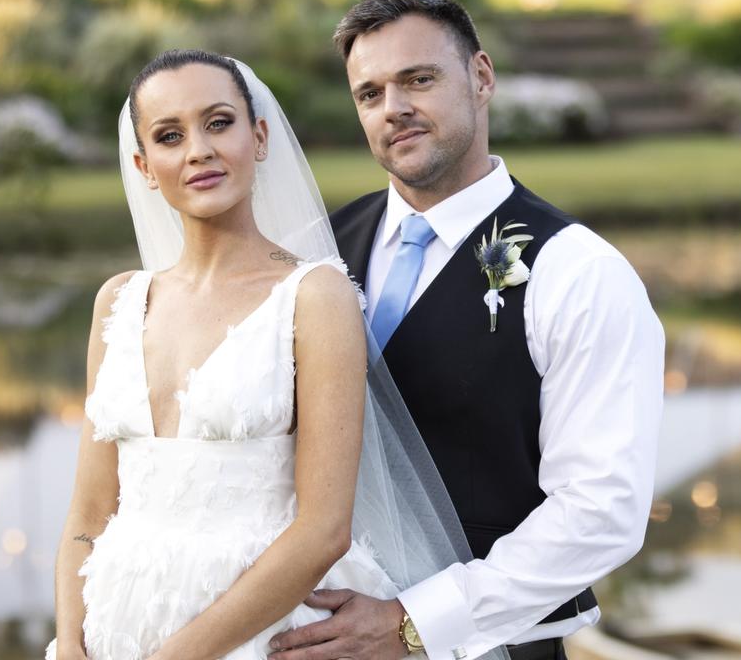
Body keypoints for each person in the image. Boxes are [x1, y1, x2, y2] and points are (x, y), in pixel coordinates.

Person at [45, 50, 496, 660]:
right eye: (170, 136)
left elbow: (323, 530)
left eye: (219, 122)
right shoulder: (118, 302)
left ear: (258, 138)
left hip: (266, 631)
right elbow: (89, 514)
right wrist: (71, 643)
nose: (199, 150)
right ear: (144, 166)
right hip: (118, 629)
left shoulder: (314, 297)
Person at [268, 0, 664, 660]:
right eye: (369, 93)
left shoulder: (579, 272)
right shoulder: (315, 251)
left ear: (481, 77)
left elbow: (600, 512)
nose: (393, 108)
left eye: (418, 79)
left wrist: (415, 623)